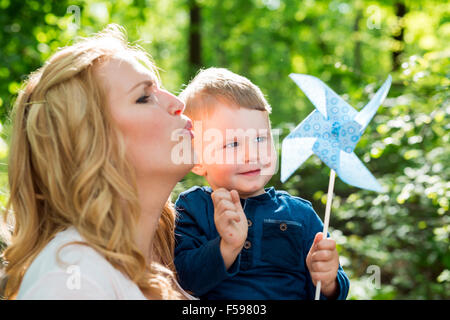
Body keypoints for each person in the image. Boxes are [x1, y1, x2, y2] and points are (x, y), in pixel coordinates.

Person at [0, 24, 196, 300]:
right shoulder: (70, 276)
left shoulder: (170, 260)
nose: (178, 102)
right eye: (144, 97)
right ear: (90, 145)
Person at [174, 67, 350, 299]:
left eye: (260, 138)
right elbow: (184, 280)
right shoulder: (192, 207)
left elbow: (333, 291)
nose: (252, 154)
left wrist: (327, 281)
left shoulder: (300, 214)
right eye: (233, 144)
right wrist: (227, 247)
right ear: (196, 160)